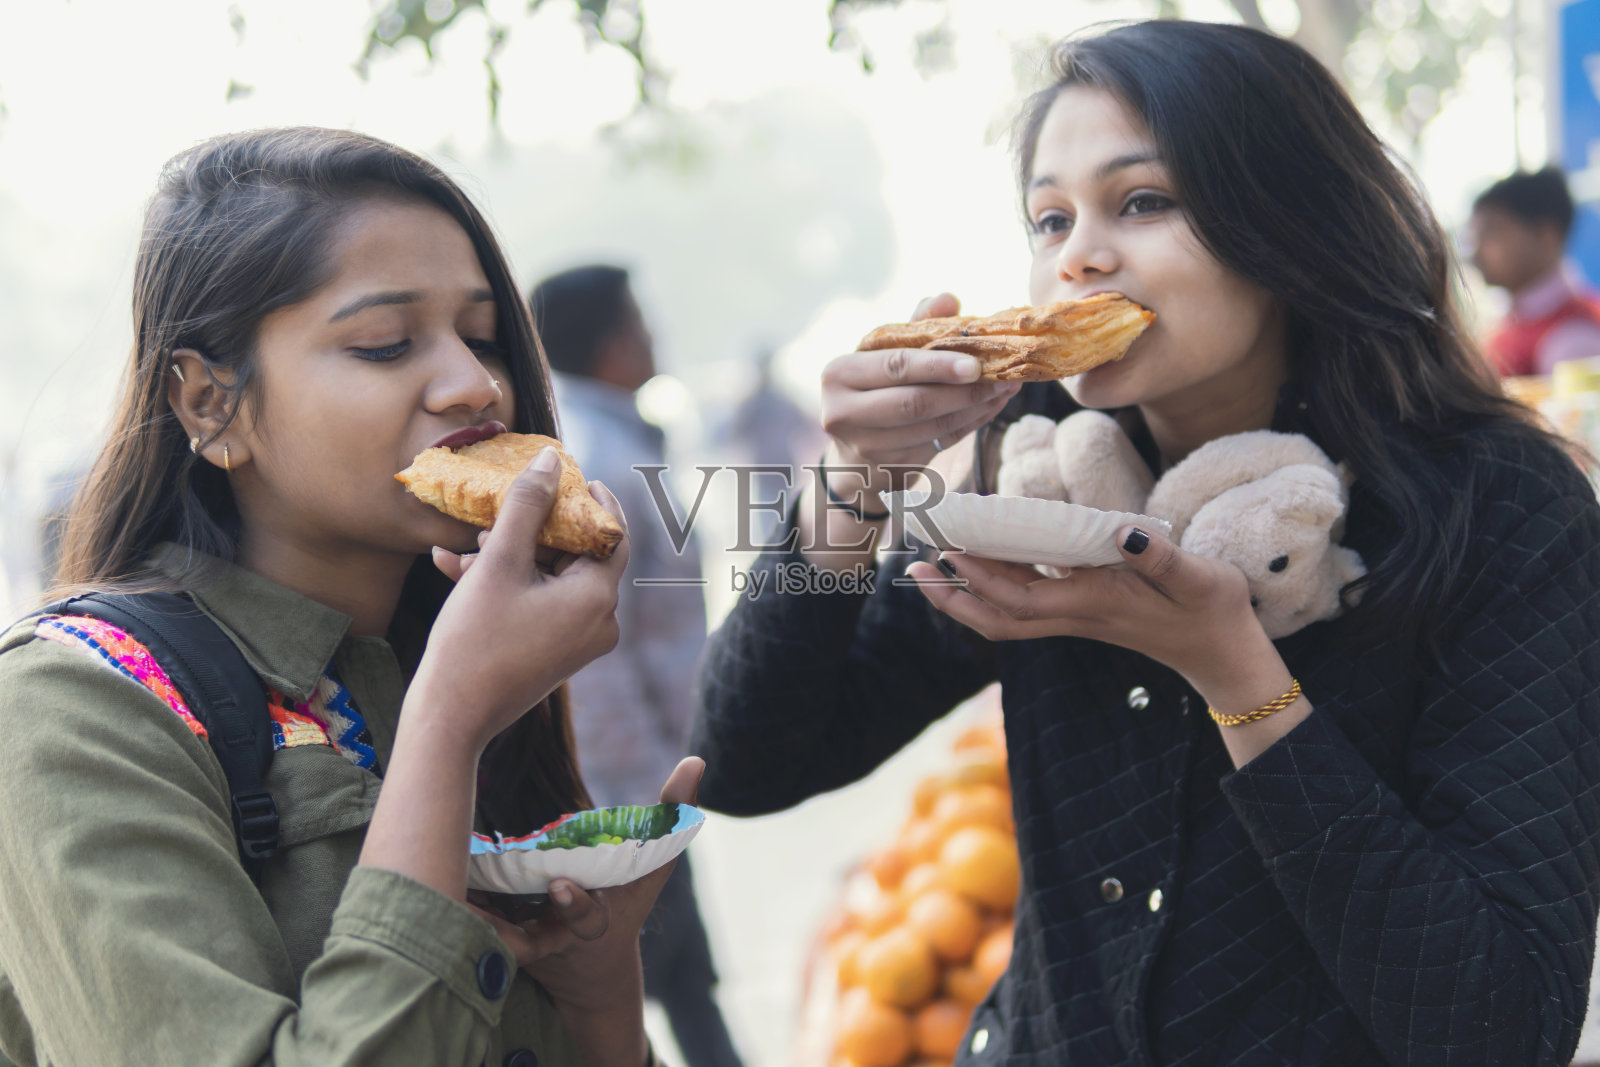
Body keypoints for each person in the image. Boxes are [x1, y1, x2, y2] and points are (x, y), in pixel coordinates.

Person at [692, 21, 1600, 1066]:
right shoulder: (1038, 473)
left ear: (1291, 223)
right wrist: (850, 488)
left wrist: (1234, 675)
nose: (1077, 253)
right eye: (1048, 218)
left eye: (1143, 201)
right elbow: (744, 761)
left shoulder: (1501, 508)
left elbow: (1497, 1026)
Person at [0, 127, 699, 1066]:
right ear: (209, 403)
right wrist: (447, 722)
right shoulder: (66, 712)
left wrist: (606, 1005)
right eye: (383, 343)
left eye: (482, 334)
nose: (473, 383)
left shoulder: (434, 651)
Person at [532, 265, 745, 1067]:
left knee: (686, 977)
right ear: (614, 343)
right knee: (647, 978)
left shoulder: (610, 440)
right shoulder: (597, 461)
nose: (653, 336)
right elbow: (593, 660)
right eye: (640, 321)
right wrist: (642, 792)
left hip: (650, 761)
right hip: (634, 780)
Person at [1469, 166, 1600, 377]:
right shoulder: (1514, 323)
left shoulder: (1575, 337)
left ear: (1544, 235)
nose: (1475, 253)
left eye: (1490, 233)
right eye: (1474, 237)